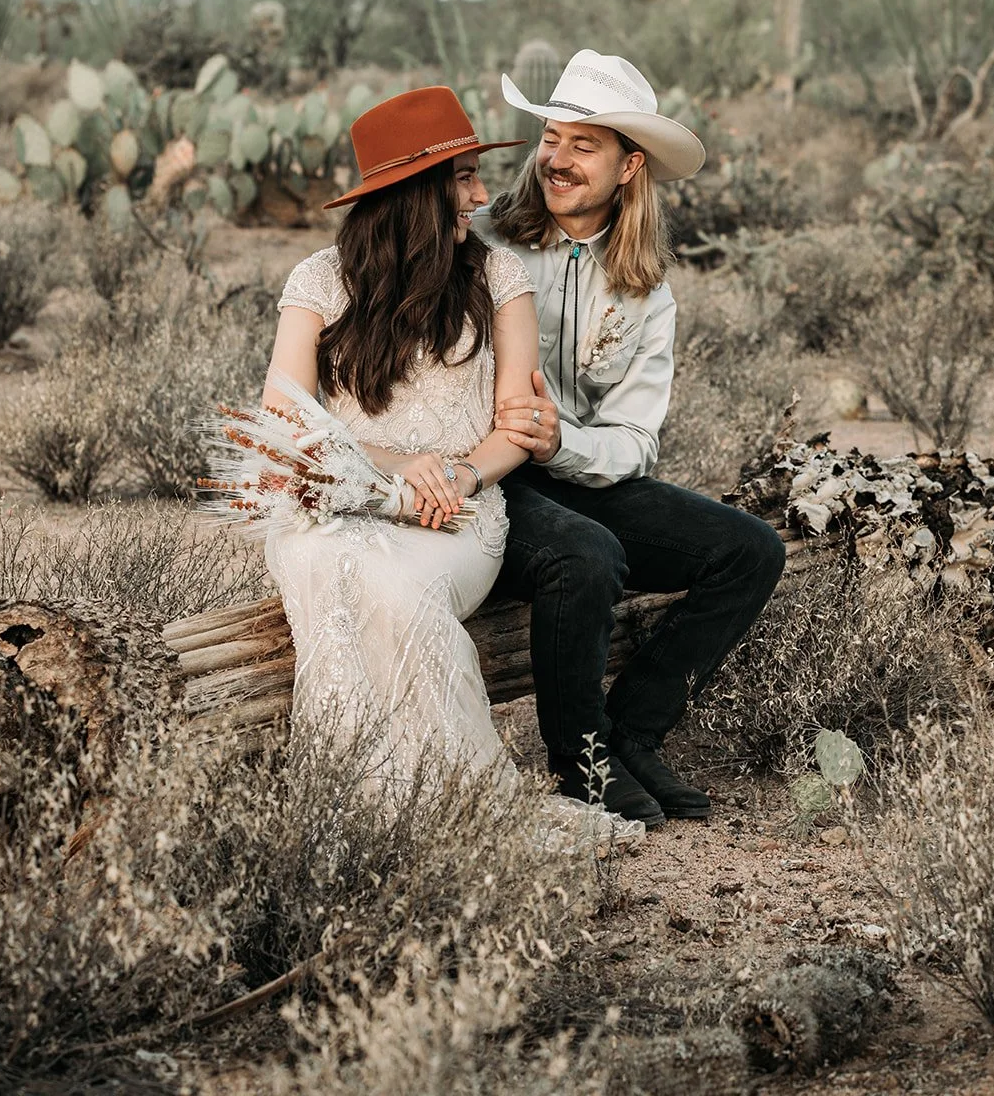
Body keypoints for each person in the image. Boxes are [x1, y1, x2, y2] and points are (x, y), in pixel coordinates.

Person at [257, 84, 641, 847]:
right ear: (414, 193)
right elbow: (283, 419)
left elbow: (517, 427)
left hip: (457, 514)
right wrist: (398, 463)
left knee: (396, 589)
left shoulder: (498, 279)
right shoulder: (317, 280)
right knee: (327, 561)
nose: (479, 195)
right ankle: (359, 802)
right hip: (340, 498)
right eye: (463, 177)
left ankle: (442, 806)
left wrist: (461, 477)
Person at [477, 49, 786, 829]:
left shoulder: (646, 291)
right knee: (587, 555)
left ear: (628, 166)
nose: (557, 159)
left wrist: (562, 446)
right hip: (487, 471)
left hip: (576, 470)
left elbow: (633, 439)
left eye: (583, 145)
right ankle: (580, 757)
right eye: (551, 138)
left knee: (748, 550)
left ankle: (633, 735)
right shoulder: (484, 242)